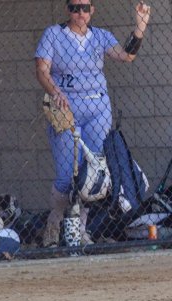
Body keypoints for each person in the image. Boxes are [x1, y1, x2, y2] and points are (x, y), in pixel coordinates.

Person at [36, 0, 151, 246]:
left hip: (98, 110)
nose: (80, 12)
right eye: (75, 7)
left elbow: (126, 55)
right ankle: (54, 226)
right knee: (67, 176)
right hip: (66, 110)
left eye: (85, 8)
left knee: (92, 176)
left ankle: (80, 231)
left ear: (92, 11)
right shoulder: (54, 34)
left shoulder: (100, 36)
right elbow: (42, 70)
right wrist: (55, 91)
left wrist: (139, 27)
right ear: (68, 10)